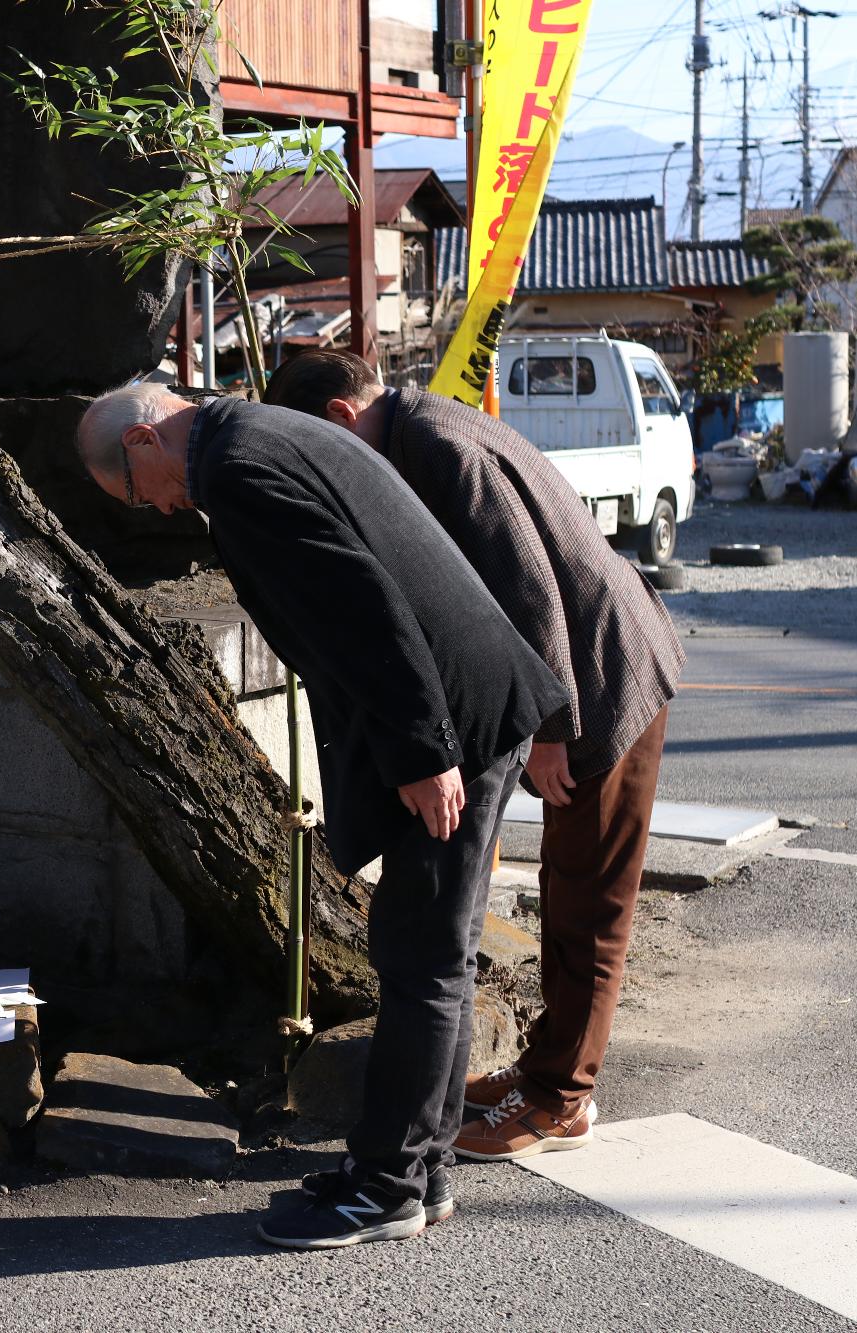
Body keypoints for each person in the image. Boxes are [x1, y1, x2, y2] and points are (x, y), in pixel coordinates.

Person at [76, 382, 570, 1249]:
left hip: (449, 716)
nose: (155, 506)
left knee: (421, 955)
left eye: (133, 490)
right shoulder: (254, 433)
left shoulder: (234, 467)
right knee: (430, 951)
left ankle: (386, 1187)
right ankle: (420, 1166)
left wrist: (422, 752)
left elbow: (358, 602)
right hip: (465, 699)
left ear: (145, 439)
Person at [264, 350, 683, 1164]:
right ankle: (545, 1074)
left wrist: (555, 726)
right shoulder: (428, 424)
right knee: (566, 885)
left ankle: (562, 1098)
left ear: (345, 418)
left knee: (590, 901)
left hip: (601, 674)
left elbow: (526, 584)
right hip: (589, 663)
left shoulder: (433, 447)